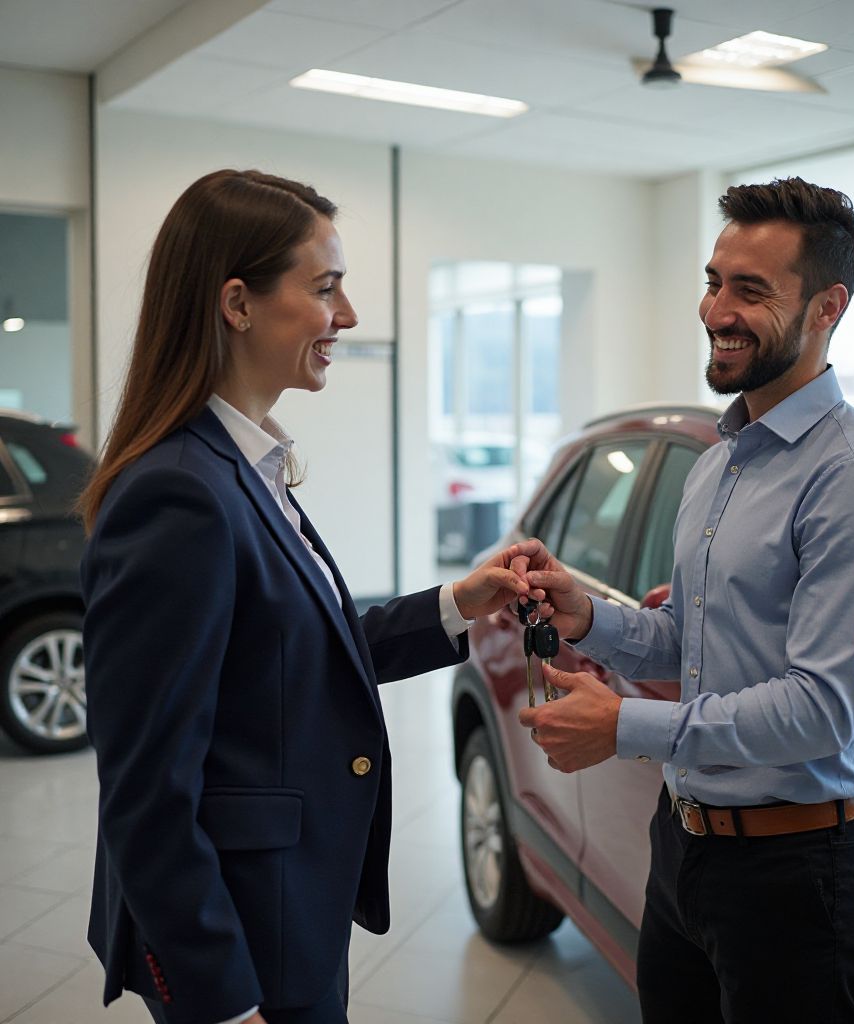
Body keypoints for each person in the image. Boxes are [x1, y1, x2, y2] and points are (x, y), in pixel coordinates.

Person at [78, 169, 538, 1024]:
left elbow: (289, 657)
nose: (350, 316)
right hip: (243, 928)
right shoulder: (179, 494)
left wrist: (456, 603)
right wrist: (220, 999)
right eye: (326, 288)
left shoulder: (240, 467)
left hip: (288, 903)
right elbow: (145, 788)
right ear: (237, 303)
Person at [515, 178, 854, 1023]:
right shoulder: (723, 458)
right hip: (686, 846)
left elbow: (818, 708)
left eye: (751, 290)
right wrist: (590, 619)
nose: (717, 310)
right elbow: (695, 641)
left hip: (798, 873)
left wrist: (622, 728)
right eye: (713, 281)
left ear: (827, 307)